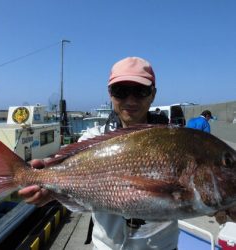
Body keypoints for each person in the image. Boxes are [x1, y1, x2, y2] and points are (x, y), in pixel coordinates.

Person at [18, 57, 235, 249]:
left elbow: (201, 197)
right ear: (110, 94)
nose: (130, 101)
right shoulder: (90, 140)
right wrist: (46, 187)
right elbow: (63, 179)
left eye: (140, 91)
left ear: (153, 95)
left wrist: (222, 208)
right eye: (121, 91)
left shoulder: (178, 139)